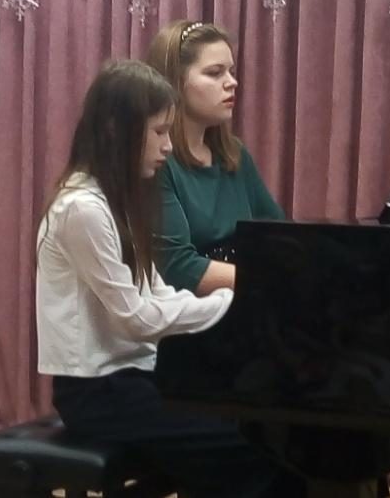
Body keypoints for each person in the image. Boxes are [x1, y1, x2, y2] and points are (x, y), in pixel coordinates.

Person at [35, 60, 301, 498]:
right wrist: (232, 304)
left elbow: (158, 291)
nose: (168, 146)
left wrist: (227, 306)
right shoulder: (81, 208)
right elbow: (135, 318)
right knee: (244, 448)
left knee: (266, 429)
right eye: (159, 132)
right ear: (116, 131)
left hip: (139, 373)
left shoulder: (118, 200)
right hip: (98, 393)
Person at [146, 21, 284, 296]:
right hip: (192, 312)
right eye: (214, 73)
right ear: (175, 83)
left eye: (230, 71)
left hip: (248, 299)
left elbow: (279, 233)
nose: (232, 82)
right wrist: (268, 276)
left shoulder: (234, 154)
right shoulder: (156, 161)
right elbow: (178, 268)